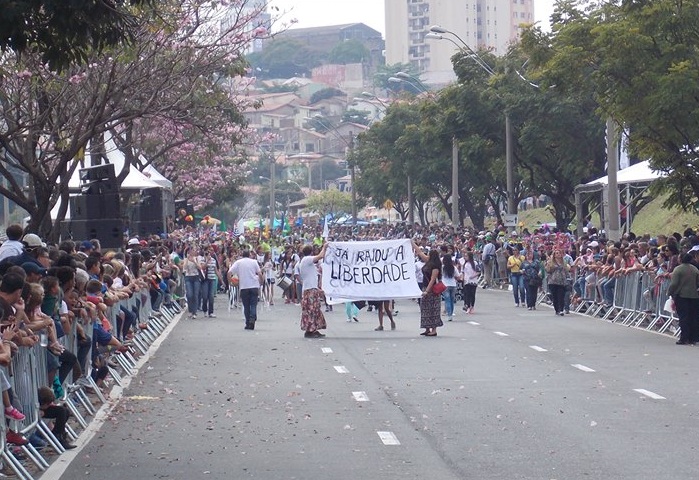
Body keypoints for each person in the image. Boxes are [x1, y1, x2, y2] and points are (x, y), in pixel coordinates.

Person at [412, 241, 443, 336]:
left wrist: (426, 291)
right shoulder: (429, 262)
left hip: (432, 290)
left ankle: (434, 330)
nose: (427, 255)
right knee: (425, 308)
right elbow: (419, 252)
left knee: (433, 310)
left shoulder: (435, 267)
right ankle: (427, 328)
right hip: (425, 288)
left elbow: (432, 280)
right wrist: (412, 243)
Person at [667, 253, 699, 345]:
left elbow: (674, 283)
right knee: (693, 317)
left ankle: (684, 337)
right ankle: (693, 337)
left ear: (681, 259)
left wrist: (670, 292)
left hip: (681, 295)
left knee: (683, 317)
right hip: (694, 295)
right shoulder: (695, 269)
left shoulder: (678, 269)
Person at [229, 250, 263, 330]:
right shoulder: (254, 262)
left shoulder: (238, 262)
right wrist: (261, 282)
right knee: (253, 304)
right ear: (249, 255)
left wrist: (230, 282)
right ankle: (252, 318)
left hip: (244, 286)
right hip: (254, 285)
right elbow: (259, 273)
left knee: (246, 305)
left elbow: (229, 272)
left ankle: (248, 323)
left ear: (242, 255)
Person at [298, 244, 327, 338]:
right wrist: (324, 247)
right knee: (311, 310)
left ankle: (313, 329)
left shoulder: (306, 262)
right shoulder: (307, 259)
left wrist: (318, 289)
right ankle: (311, 330)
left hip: (311, 288)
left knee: (314, 310)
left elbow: (310, 278)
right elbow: (321, 256)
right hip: (309, 289)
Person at [546, 249, 570, 316]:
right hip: (553, 281)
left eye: (559, 253)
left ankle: (561, 309)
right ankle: (557, 309)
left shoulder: (563, 262)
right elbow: (548, 270)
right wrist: (549, 265)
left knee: (561, 296)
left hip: (561, 281)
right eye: (556, 253)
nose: (558, 254)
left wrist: (567, 277)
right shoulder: (551, 262)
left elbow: (566, 270)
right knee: (555, 296)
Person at [182, 248, 203, 319]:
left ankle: (195, 312)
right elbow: (184, 268)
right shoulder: (186, 259)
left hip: (196, 277)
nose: (193, 252)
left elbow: (200, 267)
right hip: (188, 277)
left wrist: (194, 261)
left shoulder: (197, 258)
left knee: (195, 295)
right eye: (192, 250)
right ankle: (190, 310)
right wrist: (187, 260)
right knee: (189, 294)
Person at [441, 254, 457, 320]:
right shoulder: (454, 267)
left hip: (445, 285)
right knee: (452, 300)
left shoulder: (442, 267)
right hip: (453, 284)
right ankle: (451, 313)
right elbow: (458, 275)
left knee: (447, 300)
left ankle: (449, 314)